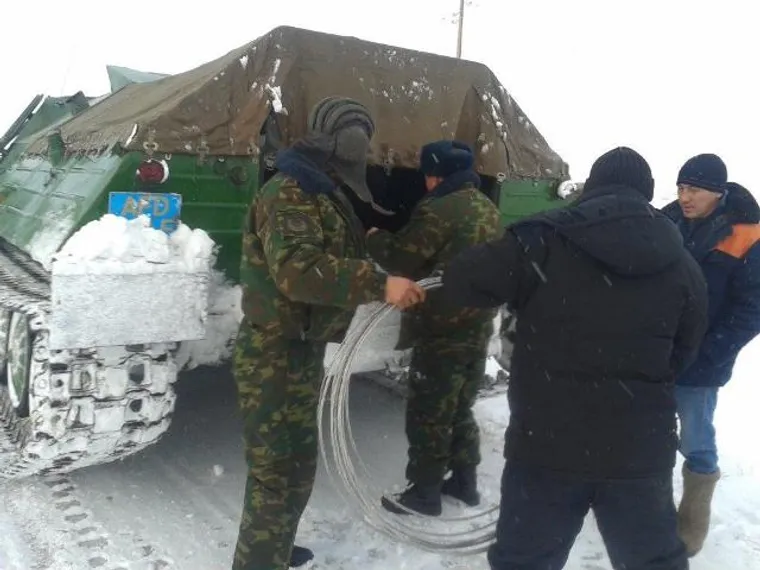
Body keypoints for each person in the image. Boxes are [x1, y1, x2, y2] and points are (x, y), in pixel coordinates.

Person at [440, 147, 708, 570]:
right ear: (648, 193)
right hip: (638, 451)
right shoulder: (683, 264)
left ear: (591, 187)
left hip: (547, 446)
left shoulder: (541, 239)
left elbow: (461, 280)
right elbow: (685, 353)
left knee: (523, 564)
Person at [232, 96, 426, 570]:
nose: (363, 148)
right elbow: (298, 271)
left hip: (299, 348)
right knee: (276, 470)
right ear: (335, 138)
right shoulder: (290, 191)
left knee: (297, 464)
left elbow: (333, 254)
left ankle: (274, 547)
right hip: (273, 352)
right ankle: (259, 561)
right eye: (356, 135)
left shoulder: (322, 191)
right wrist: (378, 284)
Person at [364, 140, 503, 516]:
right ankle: (464, 481)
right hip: (477, 324)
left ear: (435, 175)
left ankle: (424, 492)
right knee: (459, 407)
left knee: (430, 411)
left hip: (443, 328)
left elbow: (402, 258)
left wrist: (374, 237)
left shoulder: (439, 209)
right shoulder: (487, 208)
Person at [661, 153, 760, 557]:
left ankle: (692, 523)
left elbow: (751, 309)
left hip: (700, 365)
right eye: (681, 187)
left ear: (717, 192)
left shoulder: (746, 234)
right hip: (655, 353)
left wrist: (709, 354)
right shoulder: (667, 221)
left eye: (694, 190)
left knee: (696, 439)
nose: (685, 197)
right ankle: (651, 510)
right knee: (651, 432)